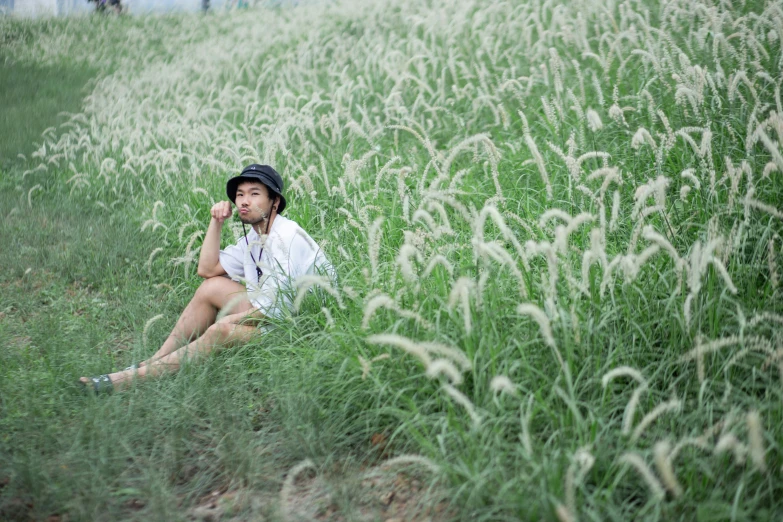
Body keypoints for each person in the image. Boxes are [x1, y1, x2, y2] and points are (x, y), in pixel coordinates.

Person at [80, 164, 331, 393]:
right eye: (240, 194)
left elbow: (279, 309)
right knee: (211, 287)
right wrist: (216, 221)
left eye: (254, 194)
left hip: (298, 329)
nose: (244, 201)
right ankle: (155, 360)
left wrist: (229, 321)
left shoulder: (285, 238)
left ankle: (127, 381)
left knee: (219, 331)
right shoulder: (254, 237)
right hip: (275, 314)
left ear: (274, 202)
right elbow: (208, 269)